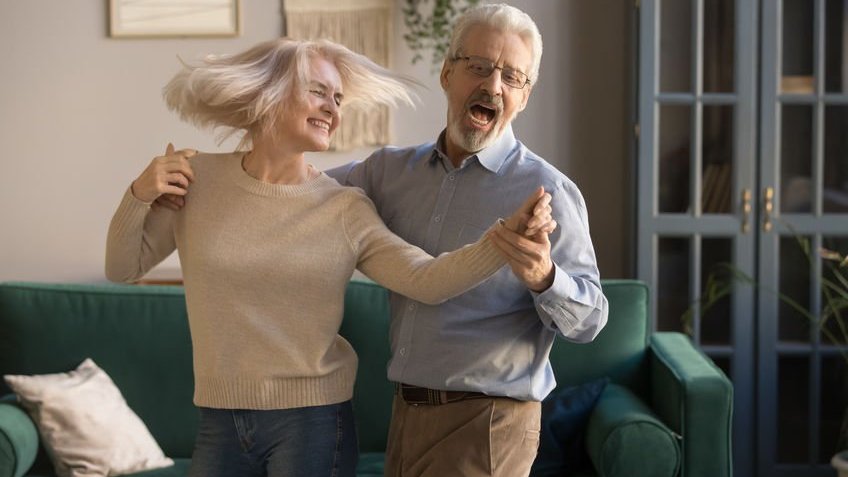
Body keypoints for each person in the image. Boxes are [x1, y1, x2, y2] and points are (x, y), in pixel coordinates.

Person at [105, 38, 556, 477]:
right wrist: (138, 195)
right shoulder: (197, 179)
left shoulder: (342, 206)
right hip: (219, 419)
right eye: (319, 92)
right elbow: (123, 268)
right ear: (269, 92)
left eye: (338, 99)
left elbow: (426, 278)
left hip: (312, 425)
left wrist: (503, 239)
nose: (333, 109)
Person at [328, 4, 610, 476]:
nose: (493, 85)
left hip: (491, 421)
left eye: (512, 77)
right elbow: (297, 192)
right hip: (407, 413)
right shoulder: (388, 173)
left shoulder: (548, 192)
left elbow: (590, 320)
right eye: (478, 67)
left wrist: (544, 277)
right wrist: (199, 178)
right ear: (447, 73)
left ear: (525, 96)